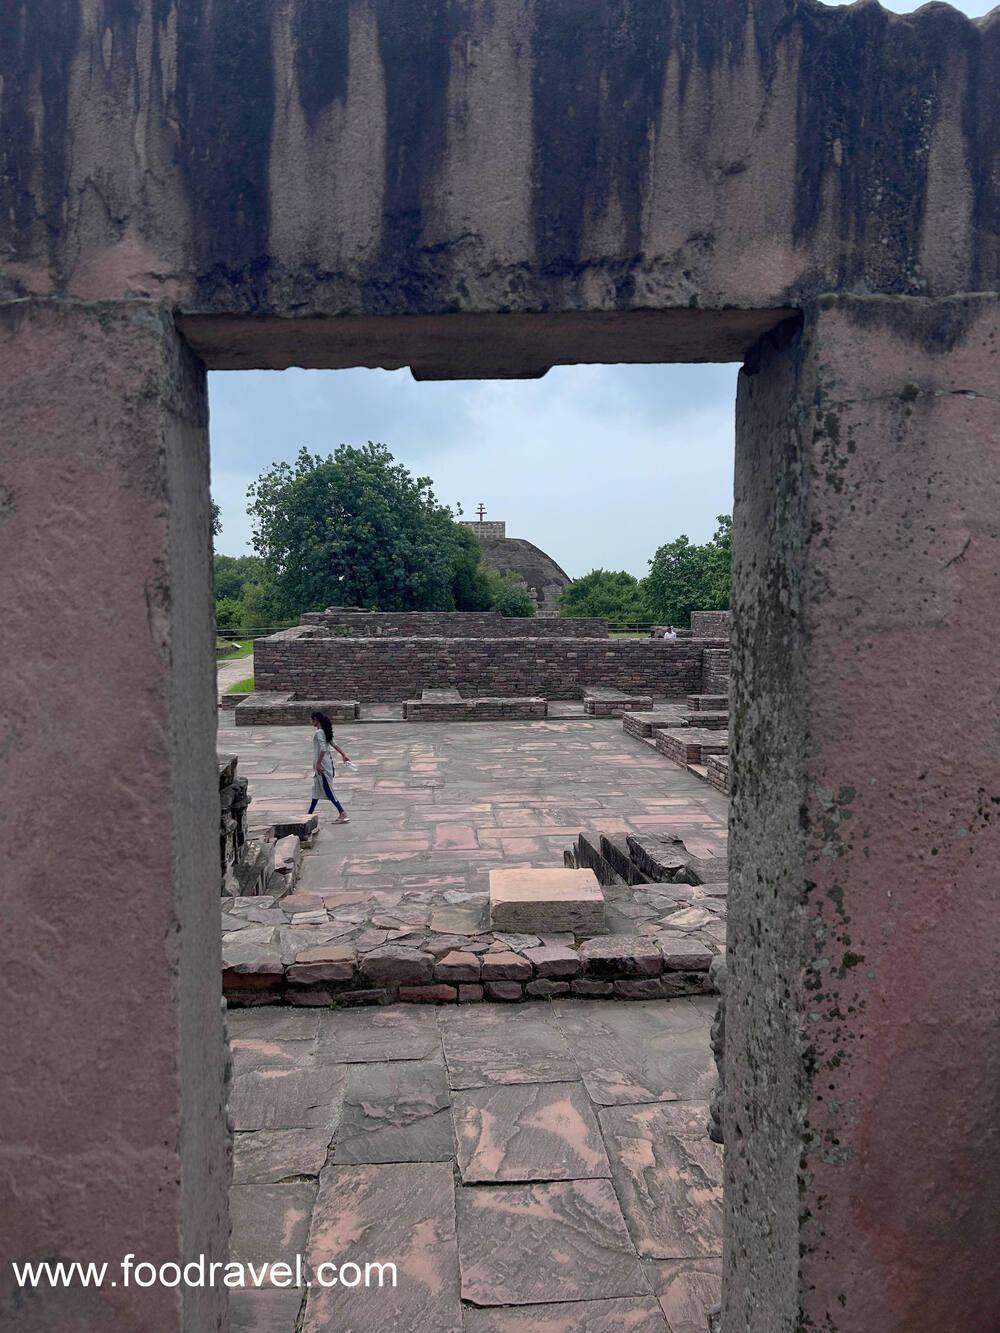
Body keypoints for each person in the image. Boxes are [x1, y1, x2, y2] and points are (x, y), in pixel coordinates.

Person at [308, 711, 350, 822]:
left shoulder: (319, 733)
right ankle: (308, 815)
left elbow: (323, 749)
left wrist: (318, 763)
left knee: (328, 791)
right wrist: (343, 754)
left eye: (312, 719)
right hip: (323, 766)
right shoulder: (324, 732)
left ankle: (342, 812)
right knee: (316, 791)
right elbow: (333, 744)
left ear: (316, 720)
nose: (311, 722)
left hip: (322, 767)